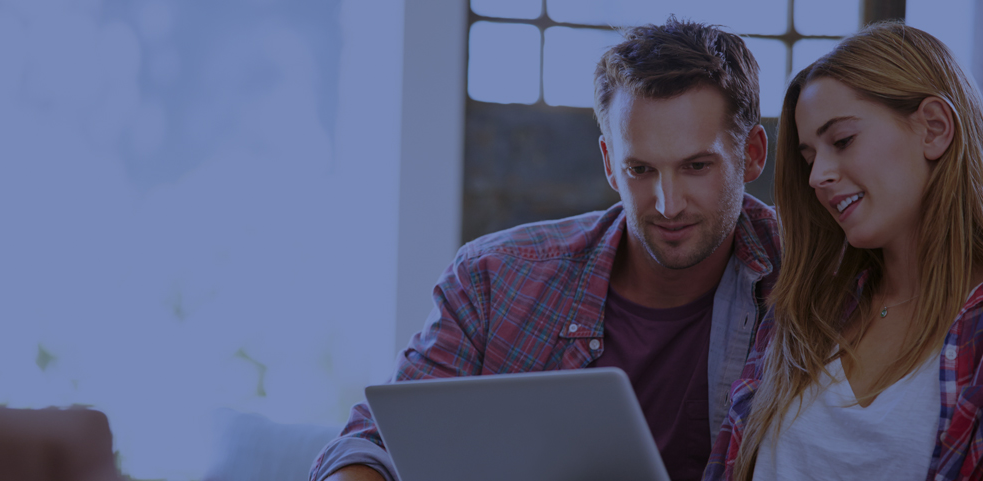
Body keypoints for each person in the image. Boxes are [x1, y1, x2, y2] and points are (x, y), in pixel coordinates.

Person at [311, 17, 778, 481]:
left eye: (697, 166)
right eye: (640, 169)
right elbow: (374, 442)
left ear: (752, 153)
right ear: (610, 165)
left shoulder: (811, 276)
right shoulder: (491, 277)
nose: (667, 204)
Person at [703, 22, 983, 481]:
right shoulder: (801, 315)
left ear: (934, 128)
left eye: (843, 141)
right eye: (810, 157)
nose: (817, 178)